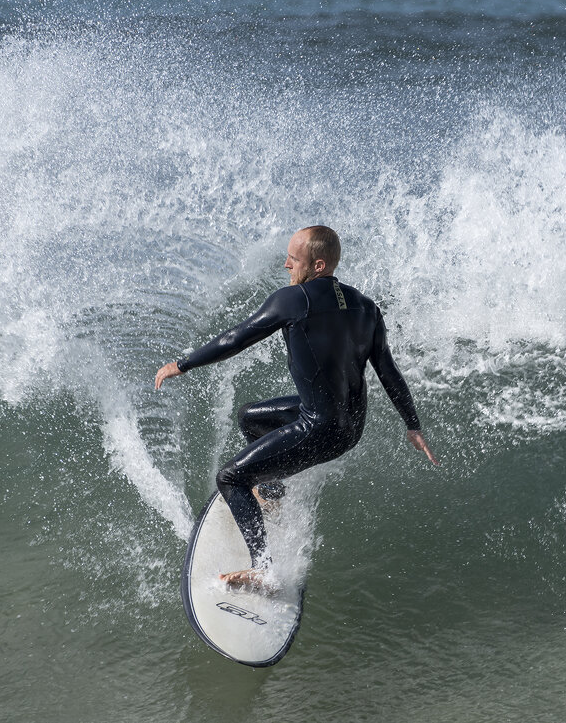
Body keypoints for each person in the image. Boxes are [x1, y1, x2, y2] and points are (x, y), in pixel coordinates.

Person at [155, 225, 437, 591]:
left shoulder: (293, 300)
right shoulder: (367, 308)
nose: (287, 264)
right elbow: (389, 373)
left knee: (230, 478)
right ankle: (271, 496)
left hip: (320, 428)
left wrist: (182, 364)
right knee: (250, 418)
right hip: (351, 426)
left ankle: (263, 570)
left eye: (294, 258)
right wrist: (412, 426)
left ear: (318, 265)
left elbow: (235, 339)